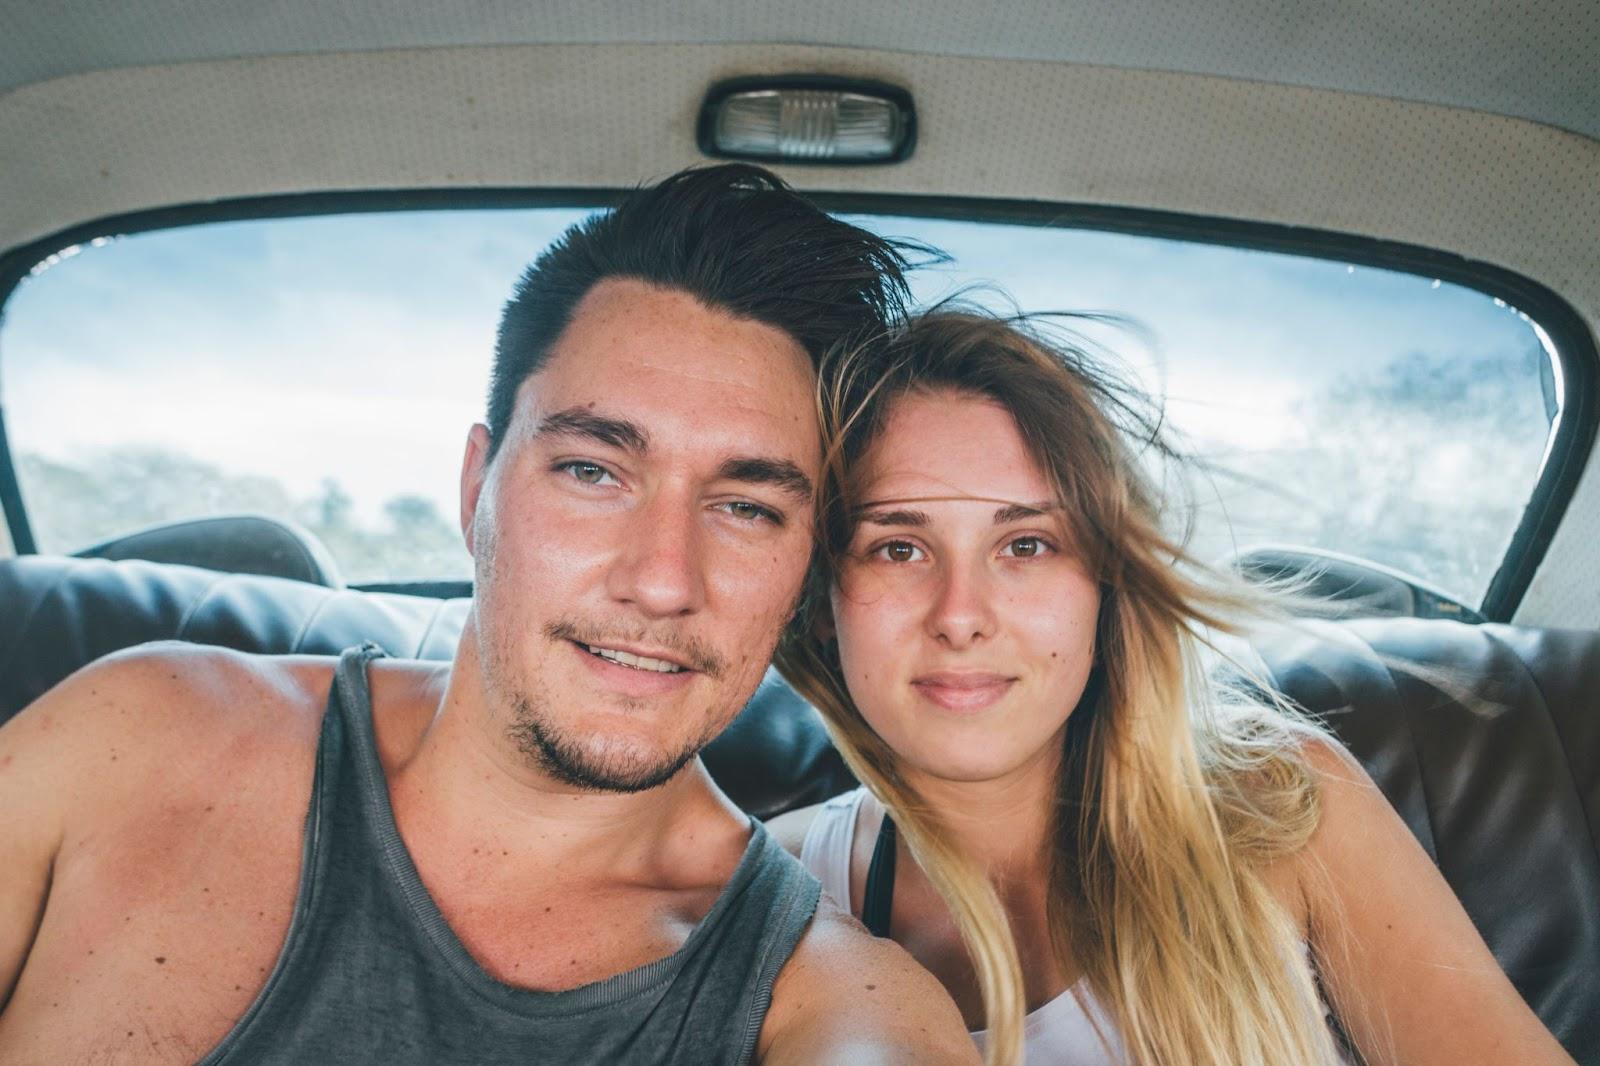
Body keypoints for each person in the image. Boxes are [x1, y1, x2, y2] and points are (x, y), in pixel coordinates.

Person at [0, 166, 978, 1064]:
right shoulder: (134, 734)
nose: (661, 578)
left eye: (746, 507)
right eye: (593, 471)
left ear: (804, 571)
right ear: (477, 485)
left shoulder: (833, 1004)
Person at [769, 308, 1574, 1065]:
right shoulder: (775, 889)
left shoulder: (1281, 813)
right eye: (898, 548)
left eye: (1027, 545)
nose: (961, 616)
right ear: (823, 604)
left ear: (1106, 585)